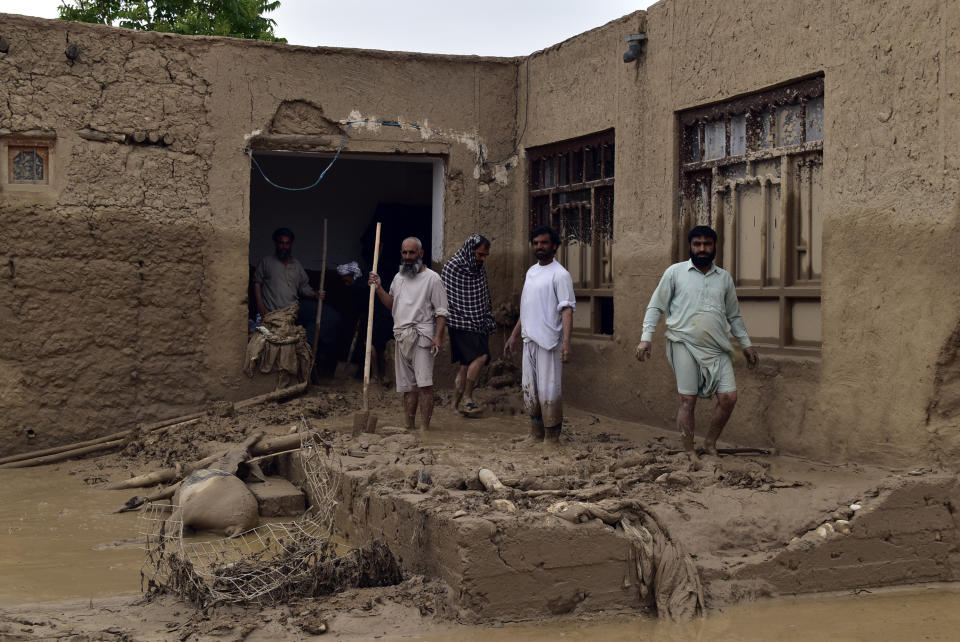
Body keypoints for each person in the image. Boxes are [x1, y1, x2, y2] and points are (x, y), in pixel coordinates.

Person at [635, 225, 759, 460]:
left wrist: (746, 344)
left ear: (714, 247)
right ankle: (689, 450)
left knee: (728, 398)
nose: (702, 249)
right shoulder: (675, 273)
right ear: (690, 246)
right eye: (697, 244)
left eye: (707, 244)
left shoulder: (724, 278)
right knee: (686, 400)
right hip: (683, 343)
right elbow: (656, 306)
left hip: (718, 348)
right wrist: (645, 339)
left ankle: (710, 443)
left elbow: (734, 316)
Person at [504, 226, 575, 446]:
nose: (539, 247)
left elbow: (567, 309)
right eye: (535, 243)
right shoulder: (531, 272)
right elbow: (526, 308)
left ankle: (552, 439)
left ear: (554, 245)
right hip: (529, 340)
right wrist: (514, 336)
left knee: (549, 391)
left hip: (549, 342)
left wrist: (566, 342)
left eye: (543, 243)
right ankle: (535, 434)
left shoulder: (560, 274)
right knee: (530, 391)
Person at [369, 237, 448, 430]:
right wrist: (378, 288)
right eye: (404, 253)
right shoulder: (399, 277)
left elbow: (441, 312)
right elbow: (391, 305)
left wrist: (438, 337)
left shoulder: (432, 278)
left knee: (425, 386)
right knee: (407, 388)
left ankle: (425, 429)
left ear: (421, 253)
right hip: (401, 336)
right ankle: (409, 426)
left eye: (412, 253)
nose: (408, 257)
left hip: (423, 337)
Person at [441, 234, 494, 416]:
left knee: (465, 365)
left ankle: (454, 406)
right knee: (481, 357)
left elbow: (483, 295)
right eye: (479, 254)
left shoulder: (478, 268)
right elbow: (445, 297)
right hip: (459, 322)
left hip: (479, 322)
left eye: (485, 255)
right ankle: (468, 398)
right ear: (470, 251)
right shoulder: (452, 267)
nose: (482, 259)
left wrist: (487, 317)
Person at [252, 227, 321, 318]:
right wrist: (260, 306)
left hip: (291, 314)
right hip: (271, 314)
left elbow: (303, 287)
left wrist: (316, 294)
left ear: (291, 244)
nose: (284, 246)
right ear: (276, 243)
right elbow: (257, 283)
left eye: (287, 243)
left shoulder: (296, 264)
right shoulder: (266, 262)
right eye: (281, 243)